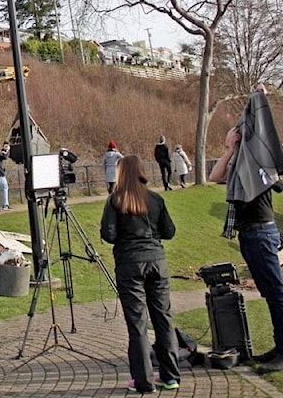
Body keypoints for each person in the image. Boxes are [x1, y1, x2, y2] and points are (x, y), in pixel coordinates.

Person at [209, 84, 283, 374]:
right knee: (270, 293)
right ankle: (281, 347)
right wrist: (230, 148)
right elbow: (215, 176)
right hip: (250, 233)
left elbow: (267, 136)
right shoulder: (240, 162)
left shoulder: (258, 160)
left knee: (277, 293)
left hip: (261, 231)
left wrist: (260, 98)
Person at [100, 155, 180, 394]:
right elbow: (169, 231)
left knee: (137, 324)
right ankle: (171, 376)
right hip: (156, 261)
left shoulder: (116, 200)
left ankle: (144, 380)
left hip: (130, 264)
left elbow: (109, 234)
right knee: (163, 318)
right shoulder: (155, 199)